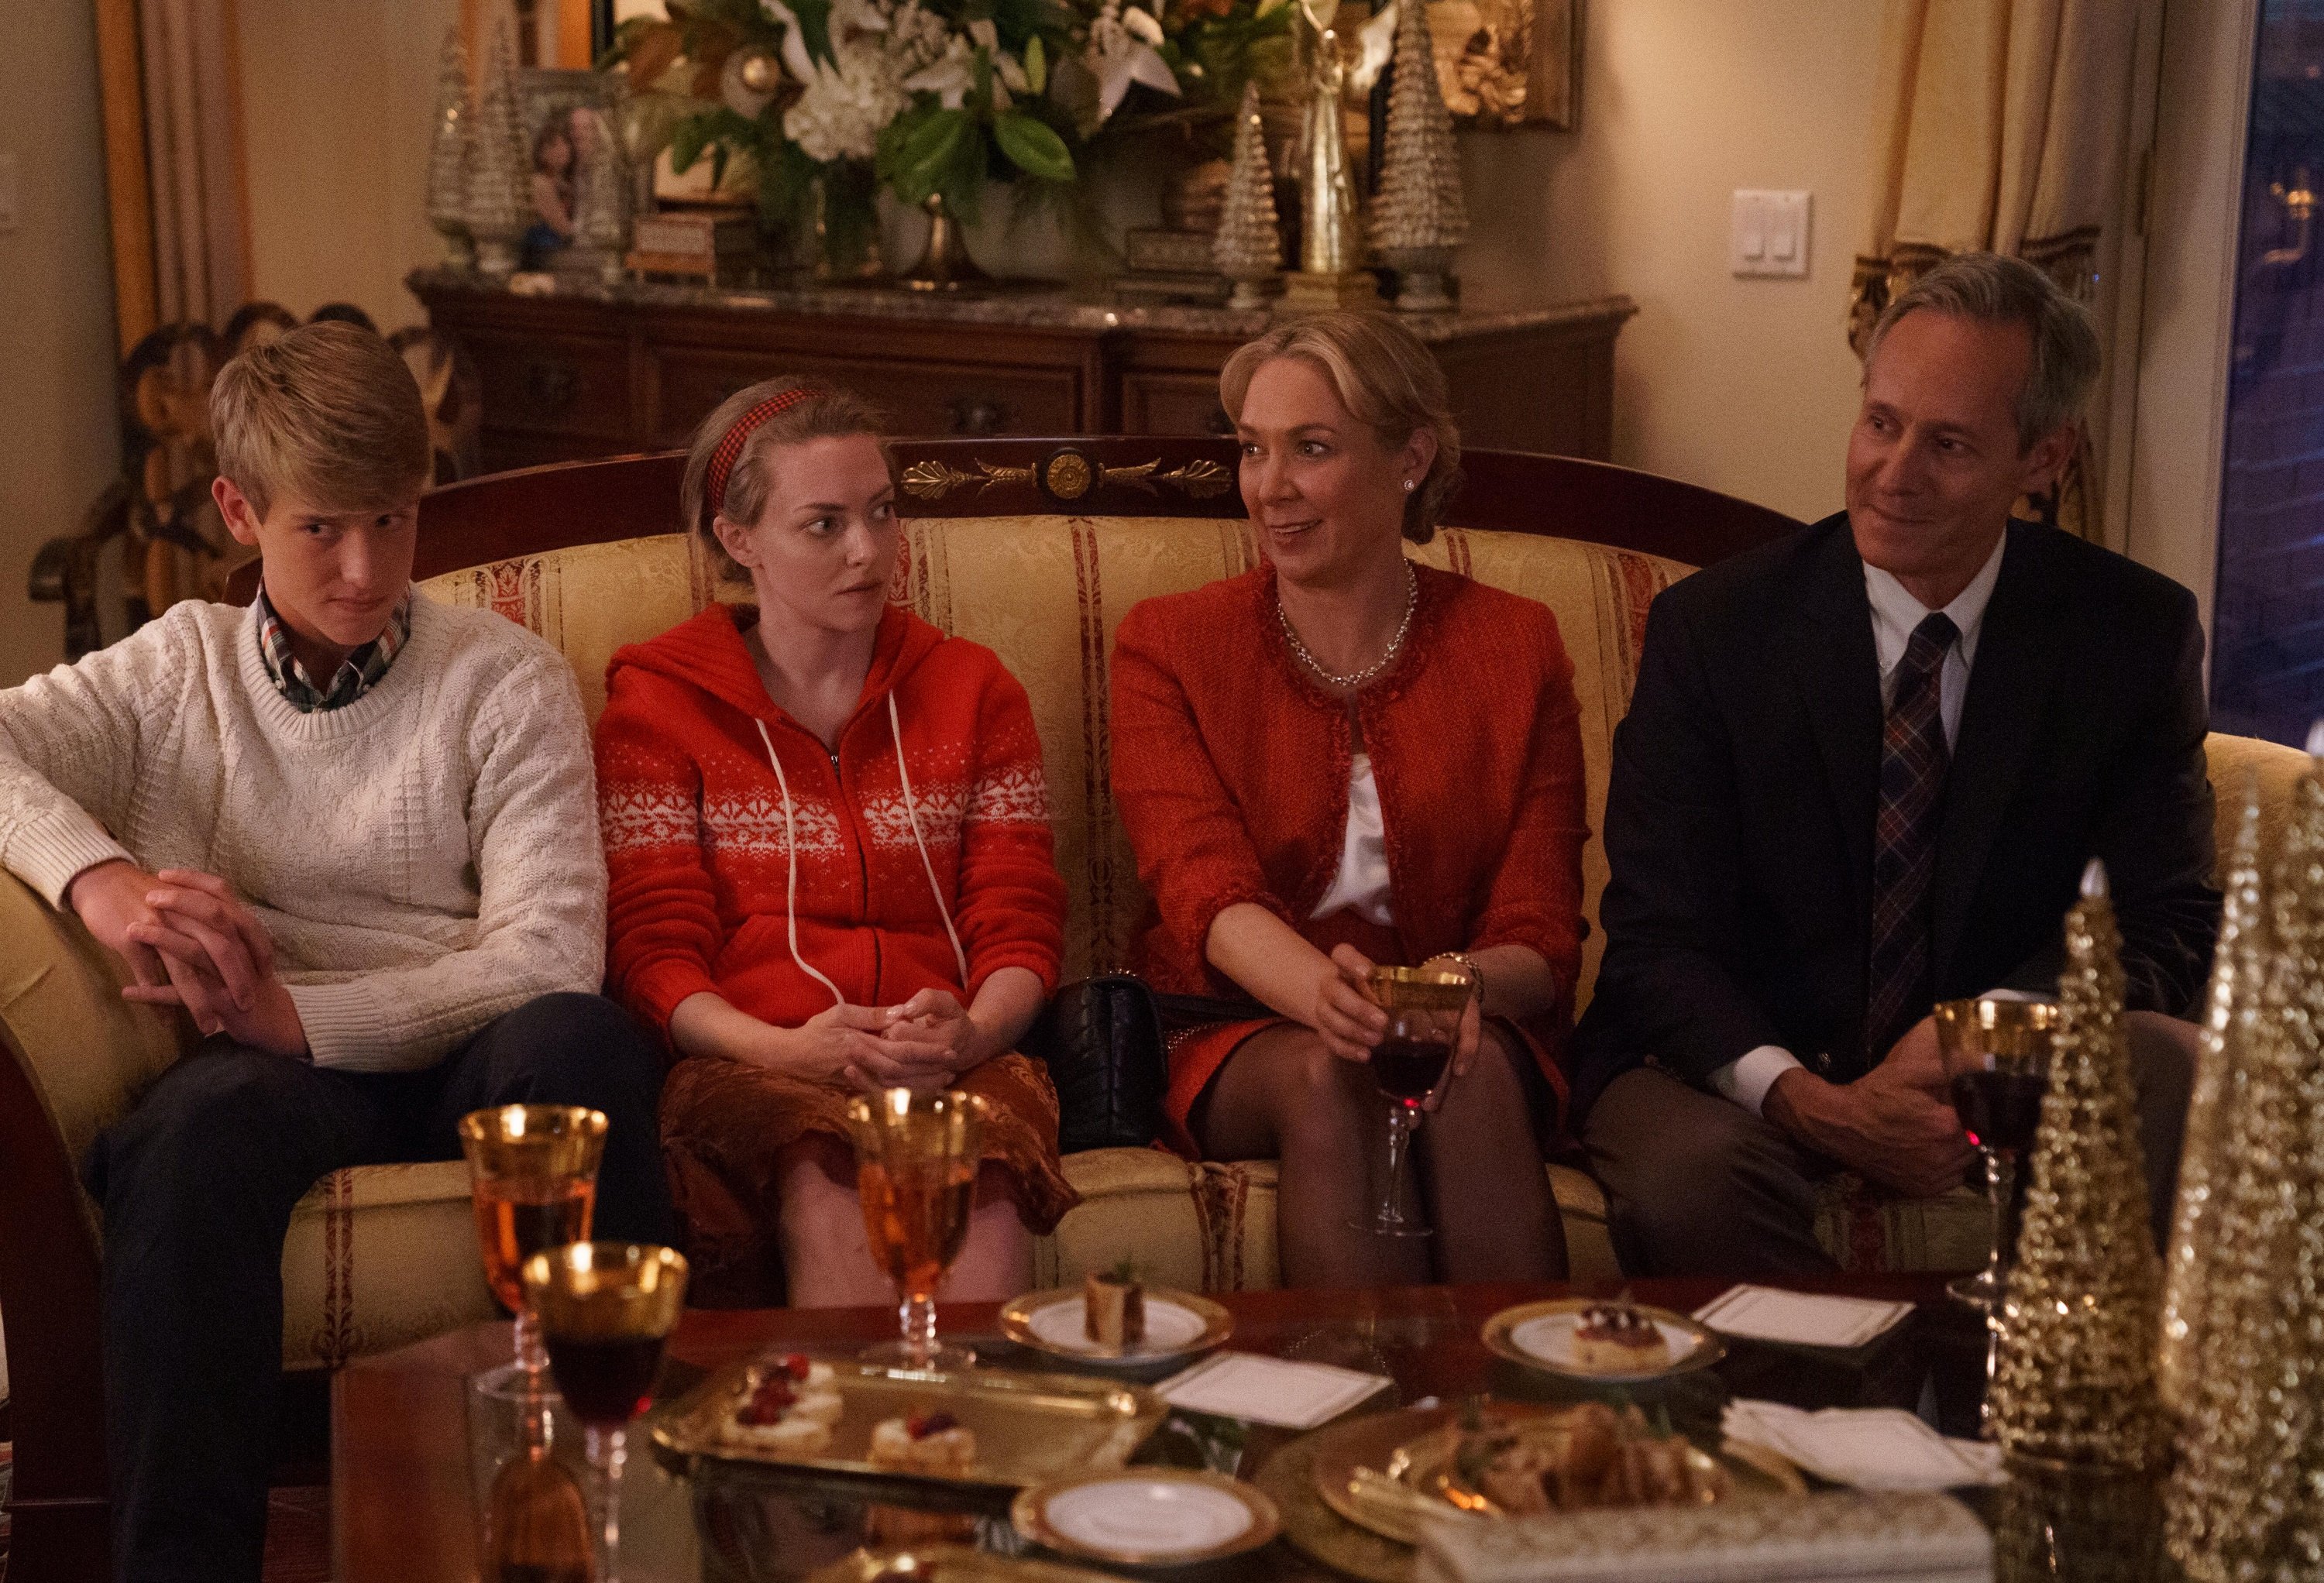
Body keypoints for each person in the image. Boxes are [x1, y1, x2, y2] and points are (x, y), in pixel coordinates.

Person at [0, 321, 673, 1581]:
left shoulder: (504, 679)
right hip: (272, 1081)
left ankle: (623, 1531)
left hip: (475, 1040)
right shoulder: (174, 669)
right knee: (183, 1140)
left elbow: (546, 951)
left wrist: (299, 1017)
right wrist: (103, 882)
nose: (364, 569)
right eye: (322, 528)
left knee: (582, 1041)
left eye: (394, 520)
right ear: (237, 509)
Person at [1573, 252, 2212, 1276]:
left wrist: (1982, 1036)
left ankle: (2053, 1422)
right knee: (1698, 1175)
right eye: (1882, 423)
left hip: (1987, 1068)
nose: (1894, 472)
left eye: (1949, 444)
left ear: (2044, 456)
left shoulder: (2128, 636)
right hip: (1726, 1070)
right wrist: (1814, 1104)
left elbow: (2168, 921)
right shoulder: (1716, 629)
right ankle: (1835, 1428)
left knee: (2168, 1067)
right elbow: (1657, 944)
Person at [1110, 311, 1585, 1288]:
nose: (1270, 487)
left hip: (1463, 1016)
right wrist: (1341, 1004)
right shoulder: (1168, 643)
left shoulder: (1517, 644)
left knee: (1472, 1064)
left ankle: (1525, 1427)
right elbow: (1202, 889)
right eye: (1252, 449)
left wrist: (1446, 992)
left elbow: (1541, 930)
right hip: (1234, 1024)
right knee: (1341, 1074)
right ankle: (1353, 1425)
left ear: (1409, 458)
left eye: (1311, 449)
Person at [595, 379, 1074, 1308]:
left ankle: (973, 1436)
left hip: (953, 1053)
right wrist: (781, 1052)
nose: (868, 551)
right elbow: (653, 956)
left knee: (978, 1182)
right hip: (750, 1061)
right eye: (824, 524)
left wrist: (974, 1028)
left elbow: (1020, 923)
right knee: (818, 1171)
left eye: (883, 513)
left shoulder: (976, 689)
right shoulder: (656, 707)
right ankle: (846, 1444)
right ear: (740, 542)